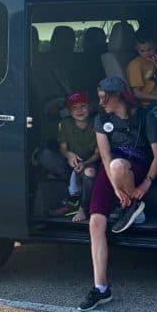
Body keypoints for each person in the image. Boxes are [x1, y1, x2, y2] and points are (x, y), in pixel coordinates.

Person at [78, 77, 157, 312]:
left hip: (135, 165)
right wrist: (115, 187)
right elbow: (105, 156)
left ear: (117, 96)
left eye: (103, 97)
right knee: (95, 223)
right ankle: (101, 288)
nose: (100, 102)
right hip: (112, 168)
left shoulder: (145, 117)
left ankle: (134, 205)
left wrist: (146, 184)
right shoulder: (101, 119)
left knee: (118, 166)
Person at [46, 92, 99, 223]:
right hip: (71, 163)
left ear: (89, 107)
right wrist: (69, 155)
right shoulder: (65, 124)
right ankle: (70, 203)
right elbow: (63, 148)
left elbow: (98, 153)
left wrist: (86, 163)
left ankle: (83, 208)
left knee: (89, 172)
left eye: (83, 106)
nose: (80, 110)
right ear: (69, 111)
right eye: (75, 108)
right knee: (45, 156)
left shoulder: (96, 122)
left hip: (91, 162)